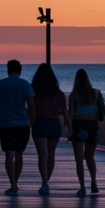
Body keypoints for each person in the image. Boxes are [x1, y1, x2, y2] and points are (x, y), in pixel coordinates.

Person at [0, 60, 36, 195]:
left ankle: (13, 185)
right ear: (20, 69)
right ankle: (16, 182)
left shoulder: (0, 84)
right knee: (19, 154)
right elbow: (32, 107)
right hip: (22, 124)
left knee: (9, 154)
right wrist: (30, 120)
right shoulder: (25, 84)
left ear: (8, 69)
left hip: (5, 124)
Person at [31, 63, 67, 195]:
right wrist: (68, 125)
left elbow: (32, 110)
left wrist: (31, 121)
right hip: (54, 123)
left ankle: (44, 182)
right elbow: (64, 110)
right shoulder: (58, 93)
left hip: (41, 121)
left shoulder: (35, 91)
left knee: (42, 155)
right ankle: (45, 182)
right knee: (51, 154)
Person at [67, 69, 105, 196]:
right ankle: (94, 182)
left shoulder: (74, 95)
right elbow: (102, 113)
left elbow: (70, 115)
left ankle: (82, 187)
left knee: (79, 160)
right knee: (90, 157)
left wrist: (70, 131)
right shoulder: (97, 93)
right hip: (93, 127)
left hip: (79, 126)